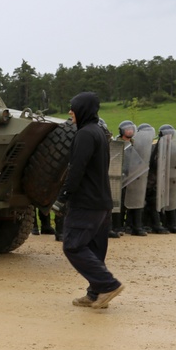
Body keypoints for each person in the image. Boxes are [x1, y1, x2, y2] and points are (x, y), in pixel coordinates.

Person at [54, 92, 124, 309]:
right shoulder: (99, 132)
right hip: (102, 201)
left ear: (82, 109)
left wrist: (64, 196)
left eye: (73, 108)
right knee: (94, 249)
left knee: (73, 245)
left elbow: (76, 169)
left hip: (86, 202)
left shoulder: (85, 134)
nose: (69, 112)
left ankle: (108, 284)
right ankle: (95, 294)